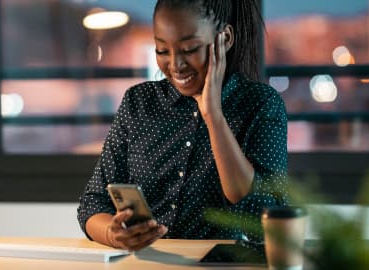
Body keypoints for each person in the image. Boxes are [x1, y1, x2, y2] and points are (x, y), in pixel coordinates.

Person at [77, 0, 288, 251]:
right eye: (162, 51)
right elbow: (93, 202)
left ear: (225, 38)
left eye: (189, 49)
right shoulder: (138, 103)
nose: (176, 64)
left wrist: (213, 116)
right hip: (147, 265)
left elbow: (262, 212)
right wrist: (113, 234)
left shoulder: (260, 104)